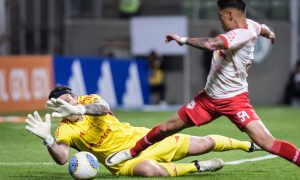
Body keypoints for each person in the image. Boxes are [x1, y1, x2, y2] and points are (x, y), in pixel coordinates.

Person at [103, 0, 300, 168]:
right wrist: (270, 34)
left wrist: (183, 40)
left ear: (230, 14)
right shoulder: (253, 26)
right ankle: (131, 152)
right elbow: (263, 28)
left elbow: (210, 44)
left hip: (234, 101)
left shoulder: (240, 34)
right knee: (166, 128)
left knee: (266, 142)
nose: (220, 19)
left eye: (220, 15)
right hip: (208, 99)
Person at [25, 85, 261, 177]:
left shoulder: (88, 100)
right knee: (149, 171)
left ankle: (250, 144)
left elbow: (103, 108)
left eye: (72, 97)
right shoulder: (65, 129)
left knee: (204, 144)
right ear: (59, 109)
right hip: (120, 162)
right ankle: (198, 167)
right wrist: (47, 139)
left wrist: (80, 108)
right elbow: (62, 158)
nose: (72, 101)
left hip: (144, 140)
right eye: (65, 102)